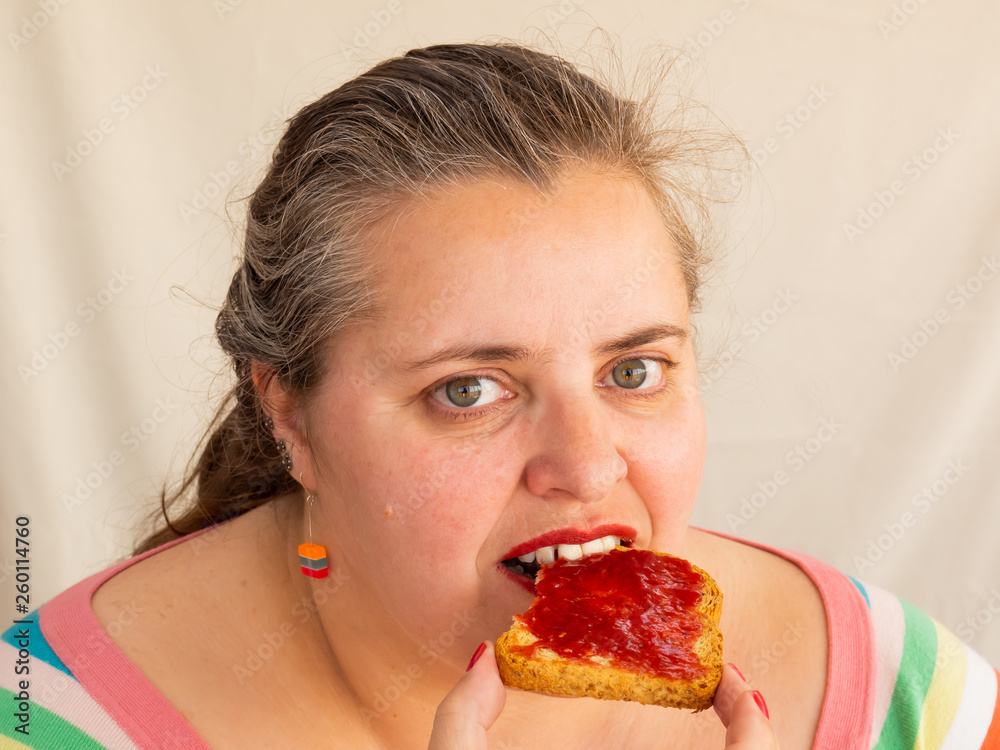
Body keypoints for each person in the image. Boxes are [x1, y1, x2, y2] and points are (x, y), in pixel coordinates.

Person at [2, 40, 997, 750]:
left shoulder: (913, 703)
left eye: (633, 371)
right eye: (468, 390)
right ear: (289, 415)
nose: (587, 466)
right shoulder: (39, 715)